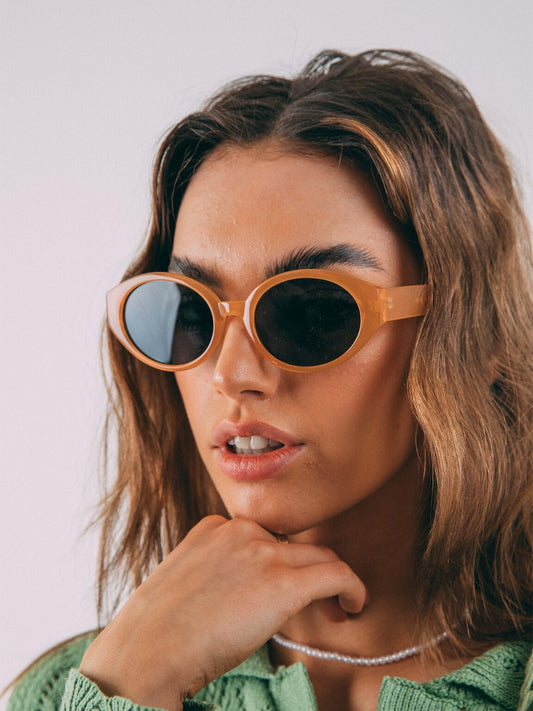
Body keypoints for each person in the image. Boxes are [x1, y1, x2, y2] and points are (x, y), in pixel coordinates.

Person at [4, 49, 532, 711]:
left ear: (476, 332)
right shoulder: (79, 687)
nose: (231, 374)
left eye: (313, 311)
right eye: (191, 313)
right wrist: (127, 690)